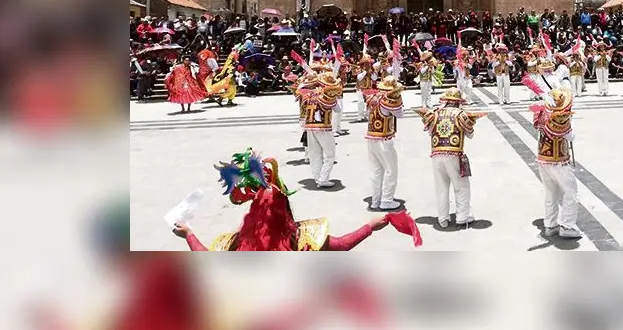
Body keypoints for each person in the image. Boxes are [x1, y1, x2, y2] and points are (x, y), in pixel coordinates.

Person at [172, 150, 422, 250]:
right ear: (284, 210)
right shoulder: (305, 240)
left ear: (251, 215)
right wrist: (371, 226)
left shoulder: (234, 245)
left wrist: (189, 235)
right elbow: (343, 244)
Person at [414, 88, 487, 228]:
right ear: (458, 102)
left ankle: (443, 218)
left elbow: (430, 132)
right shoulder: (460, 114)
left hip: (436, 154)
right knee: (461, 186)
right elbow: (470, 134)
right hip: (454, 154)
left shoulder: (435, 113)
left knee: (441, 187)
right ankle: (462, 216)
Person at [530, 86, 581, 239]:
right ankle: (567, 225)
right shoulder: (559, 118)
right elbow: (571, 136)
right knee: (570, 192)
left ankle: (550, 224)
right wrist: (569, 121)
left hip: (543, 158)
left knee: (550, 193)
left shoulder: (541, 113)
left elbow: (536, 119)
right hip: (558, 162)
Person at [365, 76, 405, 210]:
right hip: (384, 139)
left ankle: (375, 200)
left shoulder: (373, 97)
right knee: (391, 170)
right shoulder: (387, 100)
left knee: (376, 171)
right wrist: (397, 98)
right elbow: (400, 114)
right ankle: (387, 200)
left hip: (371, 137)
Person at [301, 70, 342, 188]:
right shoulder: (327, 95)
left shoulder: (310, 94)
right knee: (330, 154)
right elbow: (338, 109)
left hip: (309, 127)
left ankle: (318, 178)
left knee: (315, 154)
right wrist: (335, 95)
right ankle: (323, 178)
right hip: (323, 128)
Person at [353, 54, 375, 122]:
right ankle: (360, 115)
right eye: (366, 63)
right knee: (360, 102)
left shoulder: (372, 69)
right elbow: (359, 78)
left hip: (369, 88)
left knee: (369, 102)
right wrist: (365, 72)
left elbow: (375, 78)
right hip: (360, 88)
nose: (367, 64)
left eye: (368, 63)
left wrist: (372, 73)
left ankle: (368, 115)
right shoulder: (359, 69)